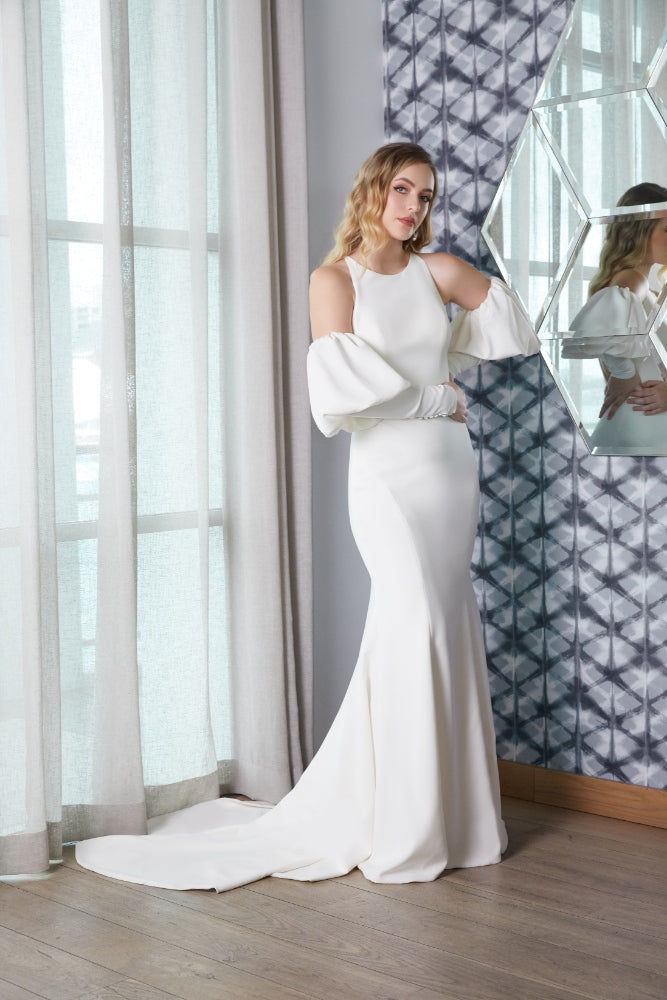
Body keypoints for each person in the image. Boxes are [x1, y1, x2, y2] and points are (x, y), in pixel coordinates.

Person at [75, 142, 539, 891]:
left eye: (425, 196)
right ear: (373, 190)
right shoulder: (334, 281)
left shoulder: (438, 271)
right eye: (402, 189)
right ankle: (405, 823)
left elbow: (513, 329)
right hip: (388, 479)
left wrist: (448, 354)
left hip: (450, 476)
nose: (413, 206)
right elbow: (348, 394)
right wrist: (436, 395)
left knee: (446, 625)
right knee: (411, 626)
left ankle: (457, 823)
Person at [563, 183, 667, 452]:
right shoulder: (633, 280)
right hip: (646, 421)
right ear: (638, 232)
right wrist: (623, 372)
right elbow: (598, 330)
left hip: (647, 419)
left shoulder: (646, 287)